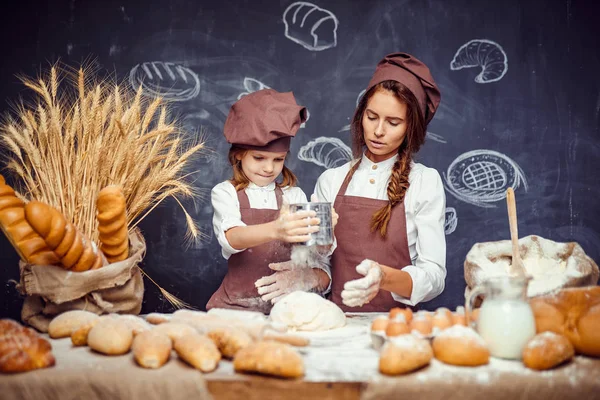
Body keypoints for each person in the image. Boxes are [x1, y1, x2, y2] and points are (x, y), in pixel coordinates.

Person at [313, 53, 446, 312]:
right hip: (338, 324)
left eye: (393, 122)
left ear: (411, 128)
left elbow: (434, 275)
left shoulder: (425, 183)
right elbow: (318, 261)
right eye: (372, 117)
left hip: (398, 329)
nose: (378, 131)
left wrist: (385, 279)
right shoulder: (331, 180)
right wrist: (309, 275)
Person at [207, 89, 331, 313]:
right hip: (235, 308)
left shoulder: (294, 195)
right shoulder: (226, 193)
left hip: (284, 307)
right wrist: (277, 229)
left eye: (278, 160)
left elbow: (316, 253)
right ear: (238, 155)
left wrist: (325, 228)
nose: (268, 168)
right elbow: (232, 238)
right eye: (259, 158)